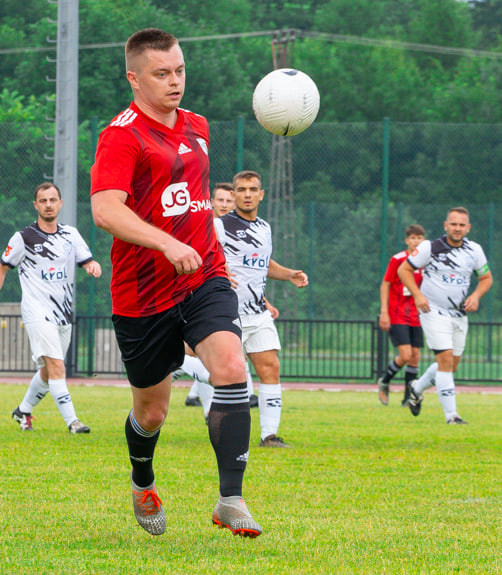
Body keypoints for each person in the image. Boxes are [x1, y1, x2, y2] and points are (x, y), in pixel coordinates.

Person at [90, 28, 261, 538]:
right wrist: (165, 243)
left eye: (180, 70)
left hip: (203, 276)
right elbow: (104, 210)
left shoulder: (198, 126)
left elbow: (195, 198)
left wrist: (211, 248)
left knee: (232, 365)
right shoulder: (121, 135)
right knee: (153, 410)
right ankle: (142, 477)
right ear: (134, 78)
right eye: (161, 73)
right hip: (142, 293)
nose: (174, 81)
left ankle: (230, 498)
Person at [0, 182, 101, 434]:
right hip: (37, 312)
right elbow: (1, 269)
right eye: (43, 200)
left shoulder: (71, 234)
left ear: (60, 203)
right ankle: (73, 422)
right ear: (35, 205)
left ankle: (23, 411)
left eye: (53, 200)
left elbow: (88, 260)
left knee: (48, 371)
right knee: (58, 366)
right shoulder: (23, 238)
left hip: (63, 313)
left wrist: (93, 266)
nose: (48, 204)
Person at [214, 169, 309, 448]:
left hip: (258, 312)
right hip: (228, 312)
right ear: (233, 195)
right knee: (228, 375)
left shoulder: (264, 228)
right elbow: (202, 254)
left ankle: (269, 435)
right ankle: (229, 434)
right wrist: (216, 271)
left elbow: (264, 263)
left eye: (252, 189)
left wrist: (290, 274)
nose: (247, 195)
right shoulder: (220, 225)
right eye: (241, 190)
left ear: (261, 194)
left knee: (270, 367)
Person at [398, 208, 492, 424]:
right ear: (445, 225)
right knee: (445, 359)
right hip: (432, 311)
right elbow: (404, 270)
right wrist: (418, 295)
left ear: (468, 228)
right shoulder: (429, 247)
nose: (457, 228)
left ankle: (416, 387)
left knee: (451, 365)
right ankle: (452, 416)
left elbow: (486, 278)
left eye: (461, 225)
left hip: (458, 314)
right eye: (453, 224)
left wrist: (476, 296)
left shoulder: (474, 250)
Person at [182, 182, 269, 411]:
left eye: (228, 201)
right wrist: (216, 273)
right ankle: (212, 404)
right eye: (220, 200)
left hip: (239, 305)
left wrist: (265, 300)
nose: (224, 205)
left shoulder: (243, 228)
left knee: (225, 356)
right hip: (203, 297)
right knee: (196, 353)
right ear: (210, 203)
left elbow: (253, 267)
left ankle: (216, 407)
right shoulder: (207, 226)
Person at [377, 224, 426, 406]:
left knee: (415, 356)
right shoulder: (398, 259)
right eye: (412, 238)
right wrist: (384, 311)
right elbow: (386, 284)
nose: (416, 241)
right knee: (405, 355)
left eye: (419, 238)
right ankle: (385, 380)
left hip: (417, 314)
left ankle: (408, 397)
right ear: (407, 241)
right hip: (398, 313)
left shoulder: (426, 261)